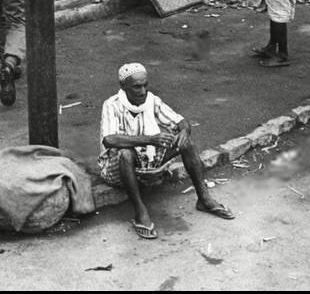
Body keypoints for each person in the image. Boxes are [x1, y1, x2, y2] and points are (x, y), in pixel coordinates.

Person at [99, 63, 234, 240]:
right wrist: (150, 139)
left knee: (187, 144)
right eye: (137, 87)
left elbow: (181, 121)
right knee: (125, 153)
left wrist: (184, 132)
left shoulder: (152, 100)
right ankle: (140, 212)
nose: (142, 91)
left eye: (145, 85)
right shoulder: (112, 105)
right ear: (123, 86)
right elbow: (109, 140)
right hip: (116, 169)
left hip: (146, 161)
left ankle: (204, 198)